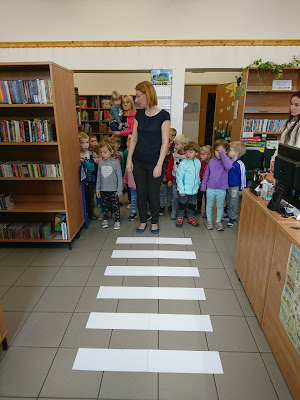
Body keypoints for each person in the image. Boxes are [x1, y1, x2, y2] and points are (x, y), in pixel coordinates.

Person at [126, 81, 170, 234]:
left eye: (138, 96)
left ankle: (155, 222)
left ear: (148, 94)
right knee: (141, 193)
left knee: (153, 194)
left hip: (155, 163)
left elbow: (165, 143)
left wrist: (159, 165)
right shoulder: (139, 115)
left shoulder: (164, 116)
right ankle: (143, 220)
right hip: (138, 161)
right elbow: (134, 139)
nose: (136, 100)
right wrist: (129, 159)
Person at [201, 139, 232, 231]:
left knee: (219, 206)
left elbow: (228, 166)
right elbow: (206, 174)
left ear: (226, 151)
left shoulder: (227, 161)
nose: (219, 153)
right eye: (217, 150)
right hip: (210, 188)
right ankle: (209, 220)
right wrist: (203, 185)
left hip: (221, 189)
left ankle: (218, 221)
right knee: (209, 205)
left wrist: (223, 155)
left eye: (221, 151)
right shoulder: (211, 161)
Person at [270, 91, 300, 173]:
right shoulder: (289, 123)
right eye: (291, 104)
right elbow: (282, 144)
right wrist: (274, 159)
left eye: (296, 105)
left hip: (293, 166)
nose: (292, 108)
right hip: (284, 163)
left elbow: (296, 148)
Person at [96, 141, 123, 230]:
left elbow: (119, 177)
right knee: (105, 206)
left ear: (111, 152)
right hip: (104, 190)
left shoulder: (115, 163)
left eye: (105, 152)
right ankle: (105, 220)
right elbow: (99, 177)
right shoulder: (101, 163)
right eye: (101, 152)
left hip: (114, 190)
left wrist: (119, 190)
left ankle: (117, 220)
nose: (103, 154)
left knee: (115, 206)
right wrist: (97, 189)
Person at [175, 141, 201, 228]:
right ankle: (180, 217)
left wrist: (199, 183)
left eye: (191, 152)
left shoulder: (198, 162)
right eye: (186, 152)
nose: (188, 154)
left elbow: (197, 175)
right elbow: (179, 178)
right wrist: (181, 190)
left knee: (192, 204)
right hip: (184, 190)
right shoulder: (183, 164)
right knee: (182, 204)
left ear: (196, 153)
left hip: (194, 190)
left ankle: (191, 217)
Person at [223, 141, 247, 228]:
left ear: (236, 153)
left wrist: (242, 189)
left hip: (235, 187)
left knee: (233, 203)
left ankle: (233, 219)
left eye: (230, 150)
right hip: (228, 186)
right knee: (228, 201)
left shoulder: (240, 164)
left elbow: (243, 177)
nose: (228, 151)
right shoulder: (229, 162)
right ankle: (229, 215)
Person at [166, 134, 189, 220]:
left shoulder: (187, 156)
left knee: (183, 197)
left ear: (183, 145)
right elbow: (170, 167)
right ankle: (174, 211)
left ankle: (182, 212)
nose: (175, 146)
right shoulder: (174, 155)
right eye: (175, 143)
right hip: (174, 179)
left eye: (177, 144)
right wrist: (169, 179)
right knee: (175, 196)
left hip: (184, 181)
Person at [79, 132, 96, 220]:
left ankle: (91, 213)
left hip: (89, 180)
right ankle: (83, 214)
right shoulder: (76, 154)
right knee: (81, 198)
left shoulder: (90, 154)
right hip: (80, 180)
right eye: (82, 143)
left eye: (86, 142)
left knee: (90, 198)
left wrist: (85, 161)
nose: (85, 145)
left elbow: (92, 167)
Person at [159, 128, 176, 215]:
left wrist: (170, 178)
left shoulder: (172, 156)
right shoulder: (159, 157)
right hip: (162, 179)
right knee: (161, 194)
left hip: (169, 178)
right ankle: (161, 206)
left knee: (170, 193)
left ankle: (170, 206)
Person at [123, 137, 137, 220]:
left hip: (139, 185)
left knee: (144, 199)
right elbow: (126, 173)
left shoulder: (137, 161)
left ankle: (147, 211)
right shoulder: (129, 161)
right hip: (132, 185)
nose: (128, 149)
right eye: (127, 147)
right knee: (133, 198)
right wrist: (125, 182)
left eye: (130, 147)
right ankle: (133, 212)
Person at [196, 145, 212, 217]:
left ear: (209, 155)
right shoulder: (201, 162)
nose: (201, 156)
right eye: (200, 154)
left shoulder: (211, 163)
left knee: (207, 198)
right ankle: (198, 208)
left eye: (203, 154)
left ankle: (206, 211)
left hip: (208, 184)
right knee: (199, 196)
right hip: (201, 183)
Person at [92, 145, 104, 220]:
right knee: (99, 199)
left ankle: (112, 211)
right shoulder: (93, 165)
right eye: (94, 157)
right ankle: (102, 212)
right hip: (97, 186)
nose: (96, 159)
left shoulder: (105, 164)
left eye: (98, 157)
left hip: (106, 185)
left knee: (108, 199)